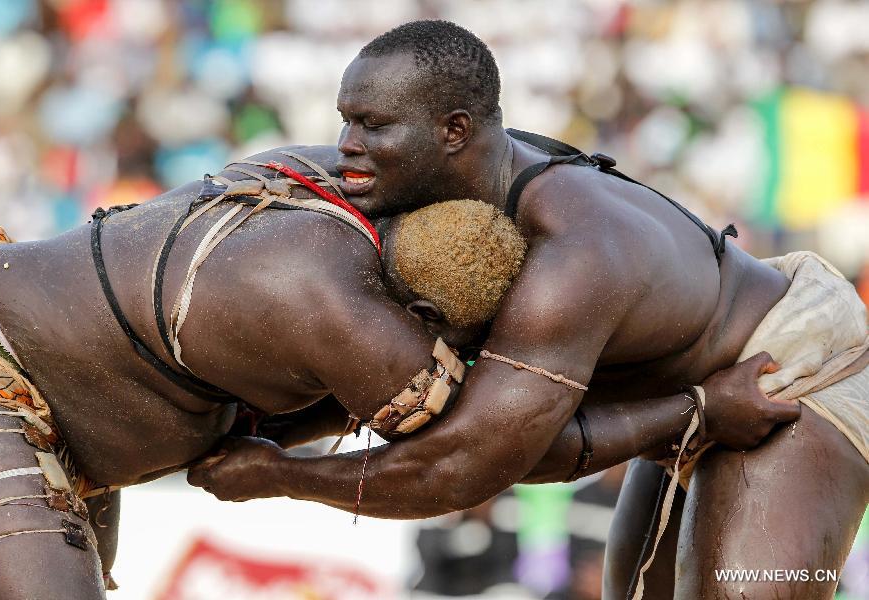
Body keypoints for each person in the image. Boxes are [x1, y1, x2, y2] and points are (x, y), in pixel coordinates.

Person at [189, 21, 869, 600]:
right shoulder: (458, 180)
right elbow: (433, 383)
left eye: (371, 124)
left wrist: (279, 475)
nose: (346, 143)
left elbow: (469, 463)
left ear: (454, 130)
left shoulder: (573, 253)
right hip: (700, 392)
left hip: (785, 374)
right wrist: (268, 425)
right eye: (345, 118)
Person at [0, 141, 776, 598]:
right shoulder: (360, 329)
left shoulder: (321, 175)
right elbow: (486, 455)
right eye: (458, 345)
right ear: (427, 322)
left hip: (34, 346)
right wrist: (696, 409)